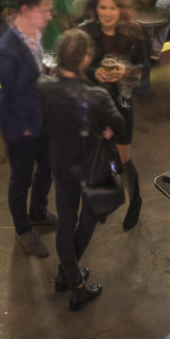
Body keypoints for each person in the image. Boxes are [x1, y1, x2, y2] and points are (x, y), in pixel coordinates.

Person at [38, 29, 125, 311]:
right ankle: (75, 286)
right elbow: (120, 125)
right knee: (87, 220)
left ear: (59, 56)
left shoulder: (45, 87)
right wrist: (106, 130)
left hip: (60, 165)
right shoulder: (96, 95)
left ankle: (69, 275)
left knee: (65, 223)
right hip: (90, 168)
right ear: (86, 58)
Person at [0, 0, 57, 258]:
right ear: (26, 10)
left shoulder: (33, 31)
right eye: (45, 11)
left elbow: (34, 73)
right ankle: (23, 229)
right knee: (21, 179)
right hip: (20, 127)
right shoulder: (6, 49)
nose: (50, 17)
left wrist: (45, 72)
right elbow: (15, 95)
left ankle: (38, 211)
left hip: (41, 116)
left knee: (47, 168)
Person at [79, 0, 148, 231]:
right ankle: (99, 203)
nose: (107, 13)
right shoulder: (85, 32)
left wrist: (125, 71)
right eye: (102, 7)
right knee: (93, 155)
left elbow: (143, 66)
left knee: (122, 160)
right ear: (95, 9)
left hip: (121, 104)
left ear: (120, 9)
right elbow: (74, 67)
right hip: (93, 104)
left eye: (112, 8)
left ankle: (136, 200)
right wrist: (93, 72)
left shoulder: (133, 31)